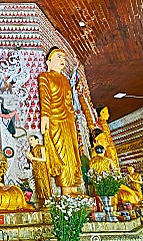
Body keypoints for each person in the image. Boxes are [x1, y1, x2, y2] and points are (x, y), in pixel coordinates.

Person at [38, 46, 82, 195]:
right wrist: (44, 116)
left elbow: (69, 103)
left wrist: (74, 120)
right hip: (55, 119)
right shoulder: (45, 76)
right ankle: (65, 191)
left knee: (73, 155)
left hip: (68, 120)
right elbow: (45, 98)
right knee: (61, 154)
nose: (62, 60)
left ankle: (74, 189)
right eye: (58, 57)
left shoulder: (65, 79)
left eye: (63, 57)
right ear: (48, 62)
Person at [26, 135, 52, 207]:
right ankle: (42, 202)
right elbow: (33, 161)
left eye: (31, 139)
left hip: (42, 170)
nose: (30, 142)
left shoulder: (41, 147)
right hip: (36, 170)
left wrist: (33, 158)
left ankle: (47, 200)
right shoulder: (32, 150)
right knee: (39, 186)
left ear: (37, 140)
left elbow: (44, 159)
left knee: (44, 185)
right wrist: (29, 157)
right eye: (29, 140)